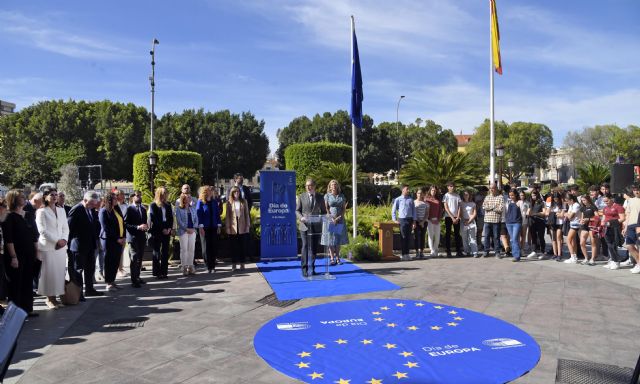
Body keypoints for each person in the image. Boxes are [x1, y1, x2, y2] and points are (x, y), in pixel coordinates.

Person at [2, 190, 38, 316]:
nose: (24, 199)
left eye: (24, 197)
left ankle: (27, 309)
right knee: (16, 283)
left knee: (28, 281)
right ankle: (14, 314)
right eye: (21, 197)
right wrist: (13, 257)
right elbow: (9, 239)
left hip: (30, 253)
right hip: (16, 255)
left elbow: (35, 236)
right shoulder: (8, 216)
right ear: (14, 200)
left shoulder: (29, 215)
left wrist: (37, 253)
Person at [35, 188, 69, 309]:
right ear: (45, 197)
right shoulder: (41, 211)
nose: (55, 197)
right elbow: (42, 231)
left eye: (56, 195)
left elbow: (65, 227)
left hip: (61, 247)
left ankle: (56, 297)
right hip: (48, 246)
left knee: (59, 273)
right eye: (51, 195)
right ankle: (49, 299)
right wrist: (57, 240)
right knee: (48, 273)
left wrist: (64, 240)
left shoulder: (61, 210)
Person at [67, 191, 103, 299]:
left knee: (90, 268)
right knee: (78, 270)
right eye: (91, 203)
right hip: (78, 245)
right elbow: (70, 227)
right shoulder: (76, 209)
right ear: (85, 200)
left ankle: (89, 289)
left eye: (94, 203)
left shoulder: (90, 209)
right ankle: (79, 293)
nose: (92, 205)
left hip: (89, 245)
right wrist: (69, 244)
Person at [295, 178, 327, 277]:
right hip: (304, 226)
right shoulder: (301, 196)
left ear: (314, 186)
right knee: (305, 246)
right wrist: (301, 218)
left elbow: (324, 212)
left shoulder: (320, 197)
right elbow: (297, 211)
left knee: (313, 248)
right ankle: (304, 269)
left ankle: (312, 268)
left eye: (310, 185)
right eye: (307, 186)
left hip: (316, 226)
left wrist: (322, 218)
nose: (308, 187)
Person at [99, 192, 126, 292]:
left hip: (119, 239)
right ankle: (108, 283)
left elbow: (122, 224)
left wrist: (123, 237)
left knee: (116, 261)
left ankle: (113, 281)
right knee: (109, 261)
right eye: (114, 198)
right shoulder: (103, 211)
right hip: (109, 240)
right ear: (109, 200)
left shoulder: (116, 209)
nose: (116, 200)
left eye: (116, 198)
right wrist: (117, 238)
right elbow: (106, 228)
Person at [321, 180, 349, 265]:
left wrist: (339, 217)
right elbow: (326, 208)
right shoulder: (327, 196)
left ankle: (338, 258)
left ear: (337, 186)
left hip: (339, 219)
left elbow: (344, 208)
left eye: (335, 184)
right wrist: (332, 218)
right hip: (330, 219)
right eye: (332, 185)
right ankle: (332, 258)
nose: (333, 186)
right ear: (329, 186)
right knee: (330, 239)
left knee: (337, 239)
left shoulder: (341, 196)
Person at [124, 191, 148, 287]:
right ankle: (134, 280)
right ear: (132, 197)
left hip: (141, 236)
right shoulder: (129, 209)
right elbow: (126, 224)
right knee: (134, 258)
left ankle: (137, 276)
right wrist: (138, 227)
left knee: (140, 258)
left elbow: (144, 221)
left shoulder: (143, 209)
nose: (139, 197)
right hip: (132, 237)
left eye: (140, 195)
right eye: (137, 196)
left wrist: (146, 226)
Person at [149, 187, 173, 279]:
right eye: (164, 193)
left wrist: (169, 228)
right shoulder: (153, 205)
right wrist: (162, 228)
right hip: (157, 231)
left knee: (165, 252)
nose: (166, 195)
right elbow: (154, 219)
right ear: (160, 194)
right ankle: (157, 272)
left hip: (166, 230)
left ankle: (164, 272)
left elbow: (170, 218)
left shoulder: (168, 205)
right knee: (157, 252)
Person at [196, 186, 222, 273]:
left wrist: (218, 225)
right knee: (206, 247)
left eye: (211, 191)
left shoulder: (214, 202)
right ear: (205, 192)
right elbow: (198, 214)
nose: (211, 192)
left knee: (213, 246)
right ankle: (207, 266)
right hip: (204, 227)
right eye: (209, 191)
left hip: (213, 227)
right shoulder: (200, 202)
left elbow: (217, 214)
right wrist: (201, 227)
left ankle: (213, 266)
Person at [225, 186, 251, 272]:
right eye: (235, 192)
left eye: (238, 192)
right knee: (233, 247)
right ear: (232, 193)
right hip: (233, 227)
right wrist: (228, 227)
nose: (236, 194)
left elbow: (247, 214)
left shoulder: (244, 201)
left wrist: (247, 225)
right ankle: (234, 264)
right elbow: (227, 216)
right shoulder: (229, 202)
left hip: (242, 226)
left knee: (242, 246)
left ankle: (242, 264)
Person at [176, 192, 199, 275]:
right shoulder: (179, 209)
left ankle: (190, 266)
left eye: (190, 197)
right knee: (184, 250)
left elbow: (196, 219)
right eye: (188, 198)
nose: (190, 199)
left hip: (192, 231)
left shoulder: (193, 208)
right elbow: (179, 221)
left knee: (191, 249)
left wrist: (193, 228)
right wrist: (186, 229)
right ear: (183, 199)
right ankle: (184, 267)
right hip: (183, 231)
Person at [392, 185, 416, 261]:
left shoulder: (411, 200)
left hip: (410, 219)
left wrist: (414, 222)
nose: (408, 190)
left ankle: (407, 254)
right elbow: (393, 210)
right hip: (402, 220)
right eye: (407, 189)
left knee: (408, 237)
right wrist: (394, 219)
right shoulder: (398, 199)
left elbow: (414, 211)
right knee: (403, 237)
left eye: (408, 189)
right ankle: (403, 254)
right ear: (403, 190)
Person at [601, 194, 625, 270]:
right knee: (609, 244)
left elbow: (622, 218)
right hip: (606, 228)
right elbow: (604, 217)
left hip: (615, 228)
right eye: (604, 201)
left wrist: (611, 223)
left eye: (607, 201)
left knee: (613, 244)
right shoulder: (605, 208)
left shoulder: (618, 207)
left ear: (611, 199)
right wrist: (602, 223)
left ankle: (616, 261)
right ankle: (613, 260)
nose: (606, 203)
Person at [482, 183, 504, 258]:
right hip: (487, 220)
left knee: (496, 237)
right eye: (490, 188)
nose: (491, 189)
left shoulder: (500, 197)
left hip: (496, 220)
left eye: (493, 188)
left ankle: (497, 252)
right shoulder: (487, 197)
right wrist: (494, 207)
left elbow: (500, 209)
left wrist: (490, 207)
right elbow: (484, 207)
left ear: (496, 188)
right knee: (487, 236)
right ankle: (486, 251)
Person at [622, 184, 640, 273]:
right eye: (635, 190)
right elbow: (628, 214)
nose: (636, 192)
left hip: (639, 225)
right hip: (631, 225)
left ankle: (638, 265)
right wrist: (625, 227)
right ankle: (639, 263)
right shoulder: (631, 200)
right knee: (629, 245)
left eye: (638, 190)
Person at [442, 182, 462, 258]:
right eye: (450, 186)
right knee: (448, 234)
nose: (452, 187)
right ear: (448, 187)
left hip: (457, 217)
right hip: (448, 217)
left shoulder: (457, 196)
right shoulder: (446, 196)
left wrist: (457, 217)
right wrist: (452, 217)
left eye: (453, 186)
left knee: (457, 234)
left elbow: (460, 207)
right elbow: (446, 208)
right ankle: (448, 251)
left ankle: (458, 251)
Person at [579, 195, 600, 265]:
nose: (583, 202)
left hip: (592, 226)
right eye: (582, 200)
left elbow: (597, 218)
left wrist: (588, 219)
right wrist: (581, 221)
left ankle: (593, 259)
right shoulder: (583, 208)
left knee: (593, 242)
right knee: (582, 243)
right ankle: (586, 258)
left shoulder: (593, 207)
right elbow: (582, 217)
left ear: (588, 199)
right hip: (584, 226)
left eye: (584, 200)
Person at [545, 192, 565, 261]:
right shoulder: (551, 204)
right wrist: (551, 212)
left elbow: (562, 215)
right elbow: (547, 213)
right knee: (553, 239)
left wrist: (557, 214)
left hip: (559, 223)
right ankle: (555, 254)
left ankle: (559, 254)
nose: (556, 200)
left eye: (557, 199)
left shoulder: (562, 204)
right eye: (554, 199)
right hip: (552, 223)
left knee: (558, 237)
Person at [527, 191, 547, 259]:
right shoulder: (531, 203)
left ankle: (543, 252)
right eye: (532, 196)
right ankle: (534, 251)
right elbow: (529, 210)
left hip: (540, 222)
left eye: (534, 196)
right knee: (533, 237)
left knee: (540, 237)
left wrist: (535, 214)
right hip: (532, 222)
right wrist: (527, 213)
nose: (533, 197)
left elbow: (544, 212)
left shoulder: (542, 203)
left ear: (537, 195)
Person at [563, 194, 582, 264]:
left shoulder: (576, 205)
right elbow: (568, 215)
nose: (567, 202)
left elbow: (570, 216)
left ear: (571, 200)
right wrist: (566, 214)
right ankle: (575, 256)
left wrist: (565, 214)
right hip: (572, 224)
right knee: (573, 241)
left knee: (568, 240)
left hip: (576, 224)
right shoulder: (571, 205)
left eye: (567, 201)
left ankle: (573, 257)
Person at [505, 190, 523, 262]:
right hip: (509, 222)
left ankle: (517, 256)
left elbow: (523, 211)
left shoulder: (519, 202)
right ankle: (515, 254)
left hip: (517, 222)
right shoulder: (508, 202)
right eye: (510, 195)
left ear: (516, 195)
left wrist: (520, 205)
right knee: (512, 239)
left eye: (512, 195)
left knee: (515, 239)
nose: (511, 197)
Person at [460, 190, 478, 258]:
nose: (466, 196)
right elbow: (460, 212)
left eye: (467, 194)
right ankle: (467, 251)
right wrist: (464, 220)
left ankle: (475, 252)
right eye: (464, 195)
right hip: (463, 222)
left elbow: (474, 213)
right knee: (464, 238)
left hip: (471, 222)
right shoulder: (461, 203)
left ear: (469, 195)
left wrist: (470, 220)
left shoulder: (473, 203)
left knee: (472, 237)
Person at [425, 186, 441, 258]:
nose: (433, 191)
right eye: (432, 190)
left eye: (435, 190)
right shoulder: (426, 199)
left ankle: (435, 249)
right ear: (430, 190)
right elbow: (426, 210)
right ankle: (432, 250)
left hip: (437, 220)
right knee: (431, 236)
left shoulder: (438, 200)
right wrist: (429, 218)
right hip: (429, 220)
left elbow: (440, 211)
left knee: (437, 236)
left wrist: (438, 219)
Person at [413, 188, 428, 259]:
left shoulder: (426, 203)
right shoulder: (413, 202)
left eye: (421, 193)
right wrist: (418, 221)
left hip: (424, 222)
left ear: (422, 194)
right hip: (416, 222)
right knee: (417, 237)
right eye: (418, 193)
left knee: (422, 237)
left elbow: (427, 214)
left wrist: (422, 221)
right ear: (416, 194)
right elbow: (413, 213)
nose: (419, 194)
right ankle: (417, 252)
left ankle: (421, 252)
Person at [518, 191, 532, 255]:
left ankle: (522, 249)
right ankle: (518, 248)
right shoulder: (517, 202)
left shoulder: (527, 203)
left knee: (523, 235)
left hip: (525, 220)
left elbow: (529, 210)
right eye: (521, 195)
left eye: (523, 195)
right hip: (518, 220)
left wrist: (528, 212)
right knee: (518, 235)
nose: (522, 196)